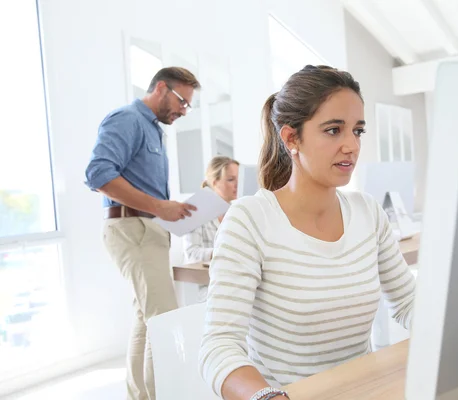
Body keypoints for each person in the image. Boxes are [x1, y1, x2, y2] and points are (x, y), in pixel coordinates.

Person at [199, 65, 416, 400]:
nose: (351, 146)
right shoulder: (250, 219)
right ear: (291, 138)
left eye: (357, 131)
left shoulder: (368, 212)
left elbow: (408, 301)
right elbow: (219, 346)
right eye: (333, 130)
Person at [84, 67, 200, 400]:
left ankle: (141, 396)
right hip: (132, 227)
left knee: (146, 320)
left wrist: (166, 209)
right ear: (161, 88)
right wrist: (159, 207)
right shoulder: (127, 119)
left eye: (188, 106)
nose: (183, 110)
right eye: (181, 101)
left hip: (147, 229)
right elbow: (98, 173)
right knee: (162, 323)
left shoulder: (153, 131)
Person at [182, 156, 239, 301]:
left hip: (235, 281)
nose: (237, 185)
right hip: (207, 287)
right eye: (231, 179)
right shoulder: (195, 210)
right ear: (215, 182)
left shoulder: (238, 211)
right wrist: (221, 252)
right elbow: (191, 254)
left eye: (239, 179)